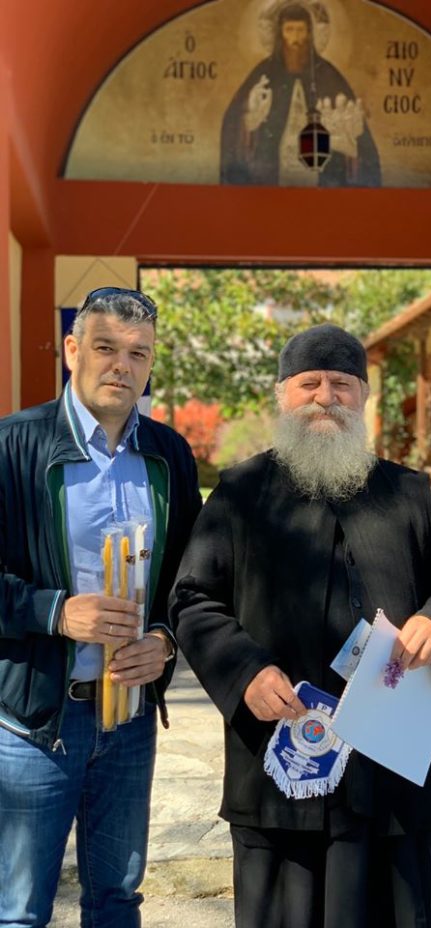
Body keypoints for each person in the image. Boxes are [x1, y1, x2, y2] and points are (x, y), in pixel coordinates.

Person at [170, 323, 431, 927]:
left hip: (391, 778)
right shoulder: (240, 494)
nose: (325, 397)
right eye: (309, 383)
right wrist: (246, 672)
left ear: (363, 396)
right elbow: (192, 598)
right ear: (282, 395)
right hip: (279, 772)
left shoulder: (408, 493)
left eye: (342, 384)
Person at [0, 287, 201, 926]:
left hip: (129, 721)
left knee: (117, 901)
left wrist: (164, 640)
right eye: (106, 347)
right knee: (18, 911)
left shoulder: (169, 454)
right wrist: (56, 612)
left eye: (138, 353)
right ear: (72, 350)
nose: (121, 366)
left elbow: (191, 579)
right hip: (34, 722)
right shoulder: (12, 445)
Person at [220, 2, 381, 187]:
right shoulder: (263, 75)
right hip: (268, 190)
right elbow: (233, 127)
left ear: (310, 33)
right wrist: (249, 119)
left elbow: (358, 141)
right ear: (279, 34)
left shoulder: (328, 76)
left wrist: (349, 144)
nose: (295, 39)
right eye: (289, 30)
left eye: (300, 30)